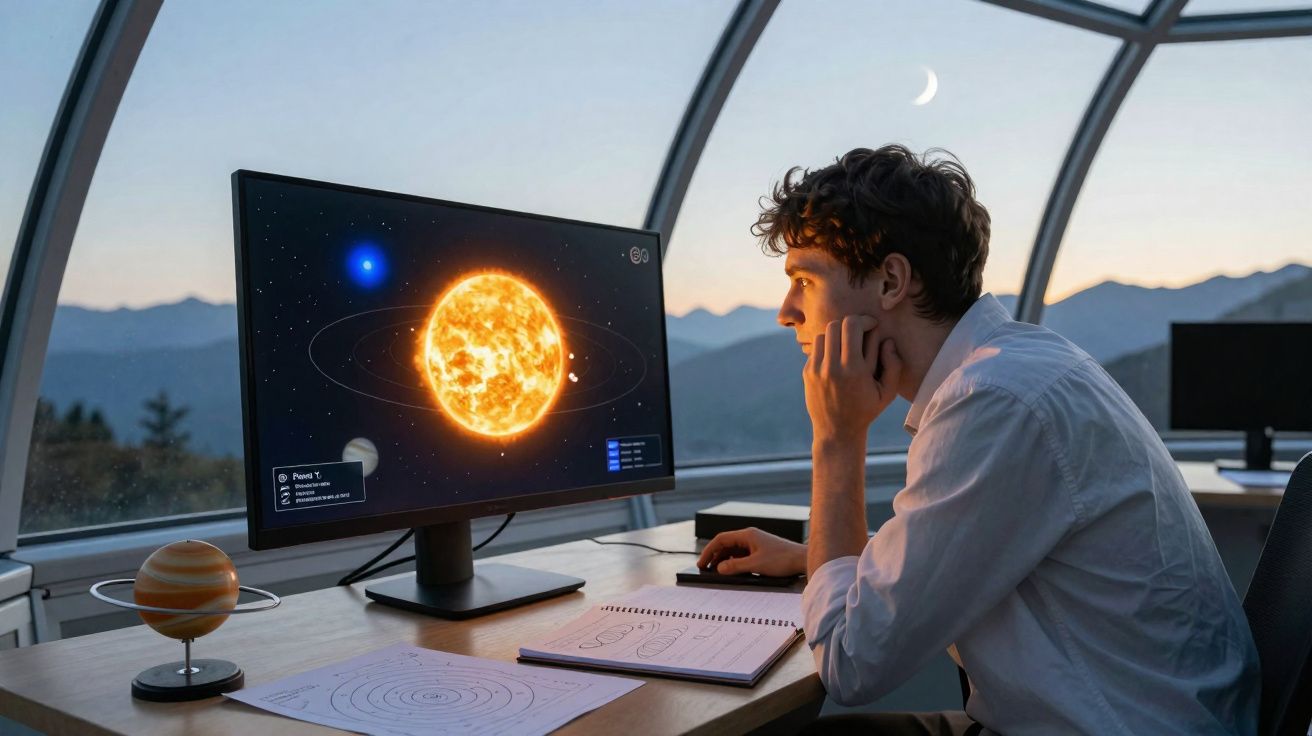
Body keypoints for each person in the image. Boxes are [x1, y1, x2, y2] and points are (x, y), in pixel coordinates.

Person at [697, 145, 1259, 735]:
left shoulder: (992, 403)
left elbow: (850, 661)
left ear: (891, 279)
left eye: (804, 280)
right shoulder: (1020, 369)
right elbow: (961, 547)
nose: (787, 312)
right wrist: (820, 558)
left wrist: (837, 440)